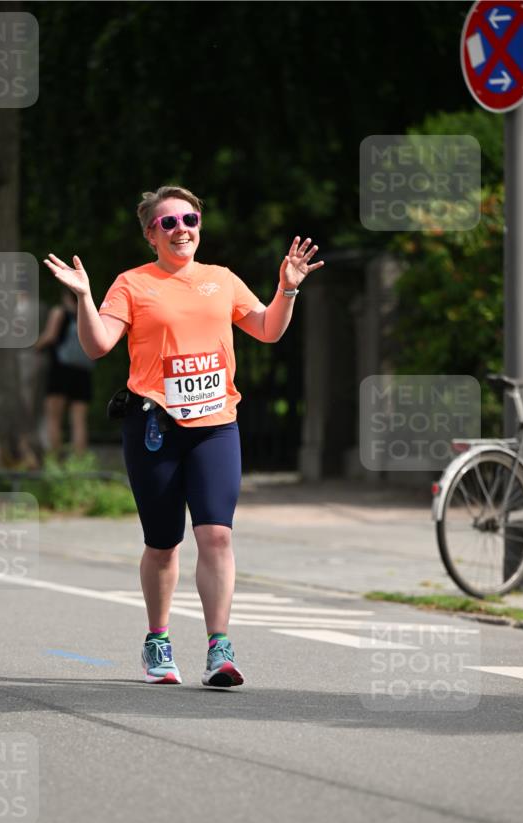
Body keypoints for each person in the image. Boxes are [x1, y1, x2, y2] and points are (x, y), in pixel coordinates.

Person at [43, 185, 323, 687]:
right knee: (164, 543)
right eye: (168, 223)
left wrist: (288, 288)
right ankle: (158, 640)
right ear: (151, 234)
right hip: (154, 427)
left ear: (199, 226)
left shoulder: (221, 279)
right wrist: (84, 297)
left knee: (216, 535)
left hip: (216, 426)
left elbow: (267, 329)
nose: (181, 230)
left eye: (189, 219)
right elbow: (98, 344)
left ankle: (220, 648)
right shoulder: (132, 284)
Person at [34, 287, 95, 455]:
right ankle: (80, 461)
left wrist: (35, 347)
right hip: (83, 371)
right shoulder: (87, 314)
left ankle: (55, 460)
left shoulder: (59, 312)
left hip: (61, 370)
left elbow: (50, 336)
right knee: (79, 420)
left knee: (54, 418)